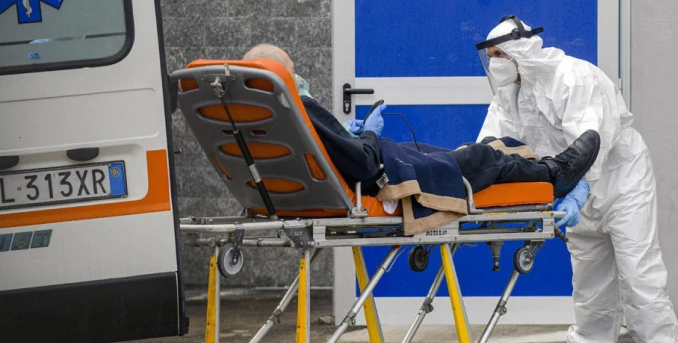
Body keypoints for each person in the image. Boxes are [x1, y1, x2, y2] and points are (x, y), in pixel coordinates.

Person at [475, 16, 678, 343]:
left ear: (520, 50)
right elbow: (491, 147)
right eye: (490, 56)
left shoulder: (572, 77)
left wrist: (579, 190)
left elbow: (592, 141)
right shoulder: (508, 97)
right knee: (590, 290)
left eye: (499, 54)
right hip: (574, 196)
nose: (495, 63)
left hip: (621, 183)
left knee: (640, 280)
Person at [241, 44, 600, 205]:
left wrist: (344, 134)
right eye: (293, 71)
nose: (300, 79)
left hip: (385, 164)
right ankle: (555, 174)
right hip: (388, 177)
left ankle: (525, 163)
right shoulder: (299, 107)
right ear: (281, 76)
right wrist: (369, 132)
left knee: (453, 152)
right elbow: (363, 163)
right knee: (480, 158)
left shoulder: (264, 122)